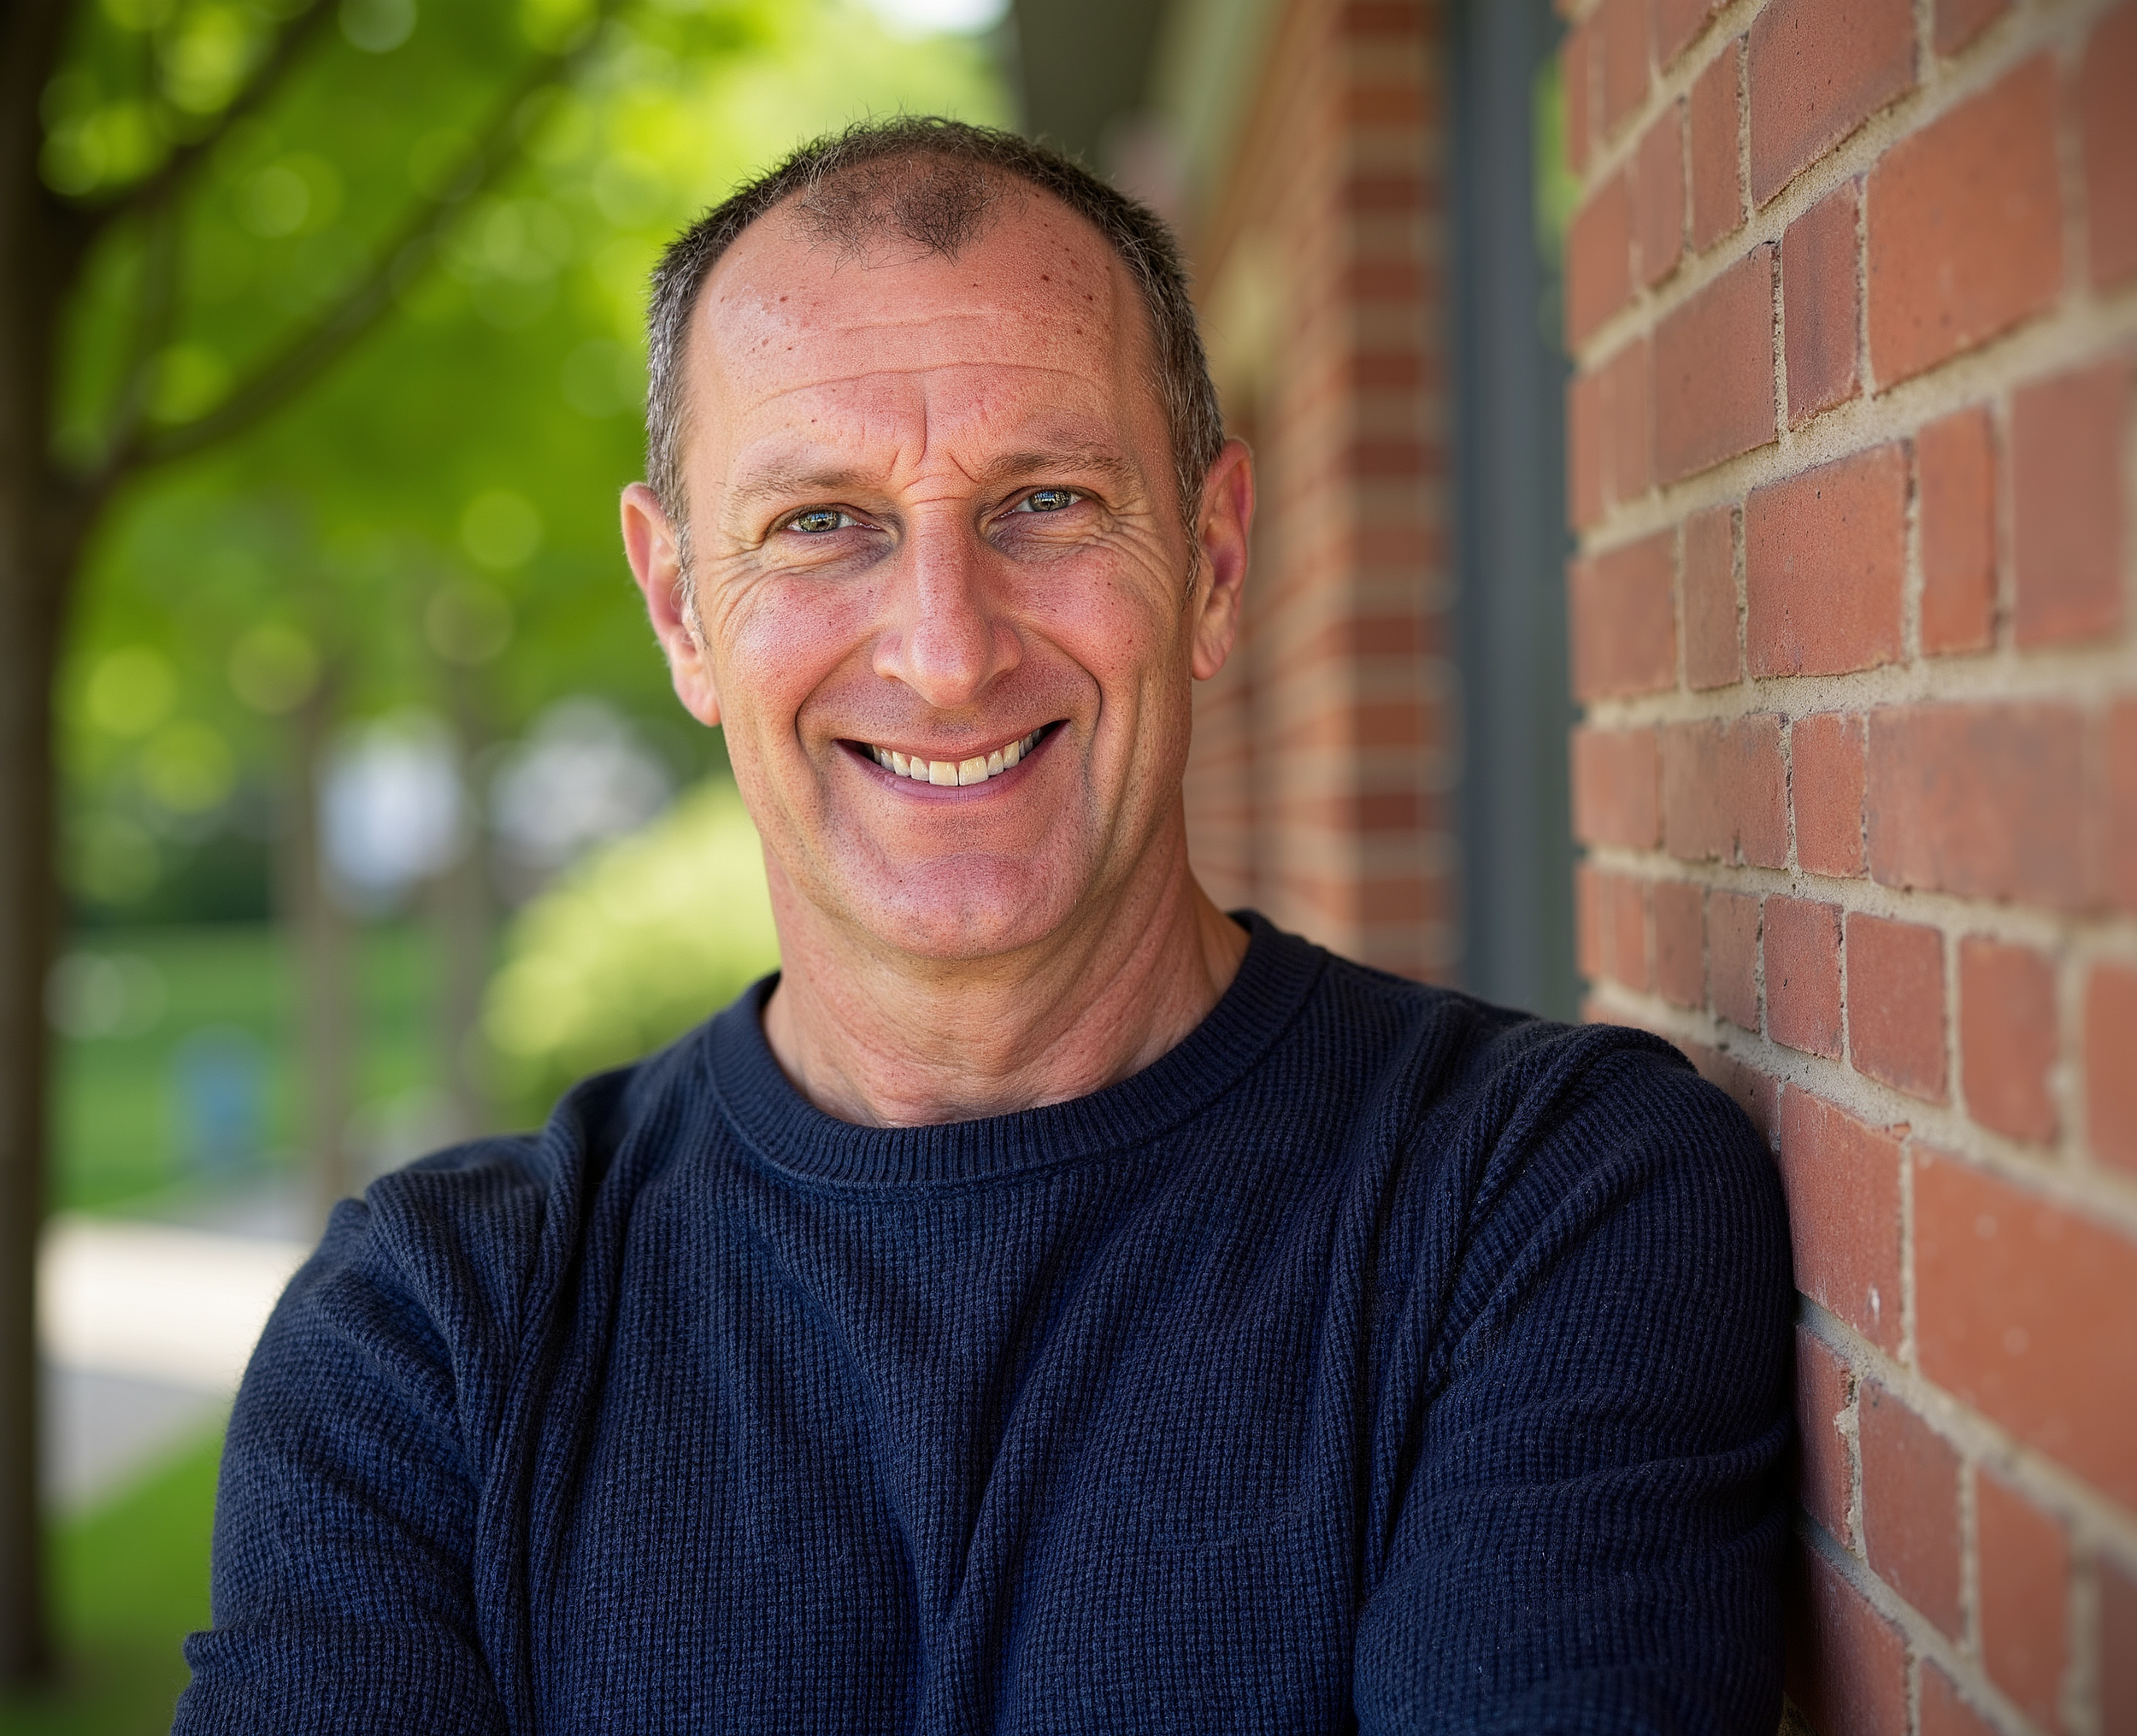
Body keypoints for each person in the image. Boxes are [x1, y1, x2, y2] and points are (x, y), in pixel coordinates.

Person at [174, 118, 1792, 1734]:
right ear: (680, 609)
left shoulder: (1540, 1211)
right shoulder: (432, 1342)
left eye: (1048, 501)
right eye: (823, 523)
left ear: (1214, 560)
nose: (947, 652)